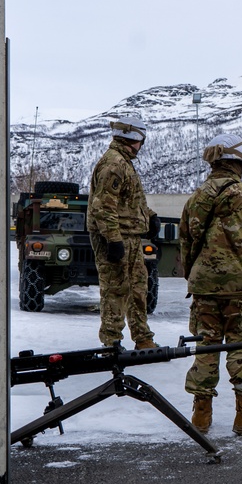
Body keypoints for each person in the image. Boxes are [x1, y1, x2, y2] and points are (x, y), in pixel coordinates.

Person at [180, 133, 242, 436]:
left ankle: (201, 414)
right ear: (240, 162)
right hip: (241, 288)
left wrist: (197, 276)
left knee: (206, 346)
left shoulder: (197, 197)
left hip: (204, 286)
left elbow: (185, 242)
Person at [87, 115, 159, 350]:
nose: (142, 145)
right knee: (115, 288)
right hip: (115, 237)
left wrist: (150, 216)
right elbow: (103, 206)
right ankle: (111, 343)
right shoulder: (114, 164)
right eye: (141, 140)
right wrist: (113, 239)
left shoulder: (124, 163)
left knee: (138, 287)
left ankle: (143, 338)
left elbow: (129, 201)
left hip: (130, 237)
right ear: (133, 137)